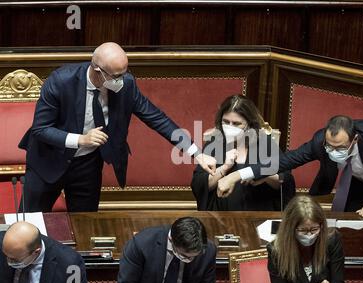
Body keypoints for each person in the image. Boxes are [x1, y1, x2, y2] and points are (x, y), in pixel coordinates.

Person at [18, 42, 216, 213]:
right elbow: (41, 129)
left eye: (125, 73)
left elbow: (157, 119)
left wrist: (196, 153)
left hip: (87, 165)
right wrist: (81, 139)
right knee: (29, 223)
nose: (121, 80)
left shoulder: (126, 85)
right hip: (48, 161)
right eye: (116, 76)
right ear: (97, 71)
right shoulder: (61, 81)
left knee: (85, 226)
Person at [218, 115, 363, 218]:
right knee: (351, 223)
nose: (333, 151)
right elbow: (283, 162)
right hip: (360, 178)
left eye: (340, 147)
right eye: (330, 146)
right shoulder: (319, 142)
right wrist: (234, 176)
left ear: (355, 140)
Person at [191, 94, 295, 211]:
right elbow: (199, 186)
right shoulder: (215, 143)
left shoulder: (264, 143)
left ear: (249, 124)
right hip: (221, 215)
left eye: (236, 124)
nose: (230, 127)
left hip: (259, 214)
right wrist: (224, 168)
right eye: (226, 122)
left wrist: (262, 174)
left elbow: (284, 182)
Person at [115, 217, 216, 283]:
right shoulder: (141, 244)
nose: (191, 260)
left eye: (195, 256)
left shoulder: (208, 251)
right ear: (171, 240)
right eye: (185, 256)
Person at [267, 195, 345, 283]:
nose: (309, 235)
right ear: (291, 229)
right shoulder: (276, 251)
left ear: (321, 226)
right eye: (303, 230)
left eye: (314, 229)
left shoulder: (332, 241)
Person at [0, 221, 88, 283]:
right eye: (5, 255)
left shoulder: (72, 265)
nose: (8, 261)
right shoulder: (3, 243)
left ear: (36, 252)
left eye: (14, 259)